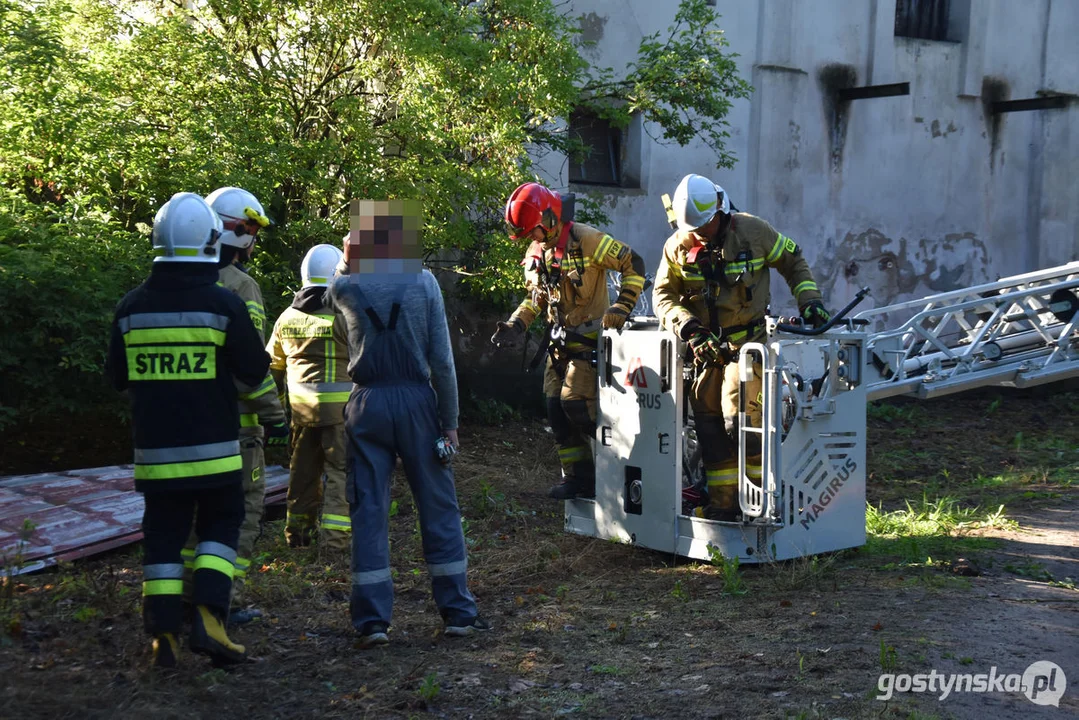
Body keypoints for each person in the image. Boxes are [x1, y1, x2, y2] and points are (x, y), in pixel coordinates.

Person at [106, 192, 269, 667]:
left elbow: (117, 378)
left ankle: (163, 636)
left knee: (163, 538)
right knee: (221, 526)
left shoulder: (129, 308)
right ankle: (211, 619)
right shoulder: (224, 305)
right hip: (216, 452)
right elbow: (254, 370)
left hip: (155, 456)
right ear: (211, 240)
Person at [328, 199, 487, 647]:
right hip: (419, 404)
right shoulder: (425, 282)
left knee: (369, 511)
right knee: (438, 506)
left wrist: (345, 255)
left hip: (367, 404)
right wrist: (450, 422)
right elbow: (443, 359)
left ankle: (372, 623)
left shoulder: (348, 287)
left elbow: (326, 294)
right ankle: (457, 612)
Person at [653, 173, 830, 520]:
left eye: (703, 225)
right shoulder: (677, 246)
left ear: (719, 209)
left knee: (741, 424)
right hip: (704, 350)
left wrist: (810, 301)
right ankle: (723, 503)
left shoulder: (753, 232)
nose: (698, 233)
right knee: (708, 427)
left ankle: (759, 504)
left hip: (748, 346)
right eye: (692, 228)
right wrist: (688, 327)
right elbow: (662, 296)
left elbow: (793, 262)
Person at [492, 182, 647, 500]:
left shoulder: (588, 240)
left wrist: (622, 306)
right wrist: (515, 325)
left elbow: (636, 265)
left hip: (590, 346)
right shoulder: (537, 250)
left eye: (533, 231)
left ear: (549, 218)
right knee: (554, 411)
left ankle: (619, 464)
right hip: (558, 348)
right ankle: (579, 479)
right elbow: (537, 299)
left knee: (574, 404)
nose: (531, 239)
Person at [181, 186, 288, 626]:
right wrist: (276, 418)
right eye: (252, 229)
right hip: (239, 432)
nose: (254, 239)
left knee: (192, 517)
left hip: (187, 425)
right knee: (240, 514)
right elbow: (252, 365)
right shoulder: (242, 288)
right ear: (238, 230)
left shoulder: (180, 283)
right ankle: (223, 601)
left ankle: (189, 598)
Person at [266, 243, 352, 551]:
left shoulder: (286, 318)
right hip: (341, 416)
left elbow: (271, 368)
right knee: (339, 477)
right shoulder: (345, 314)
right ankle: (335, 543)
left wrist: (274, 415)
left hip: (301, 415)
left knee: (301, 478)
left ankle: (297, 537)